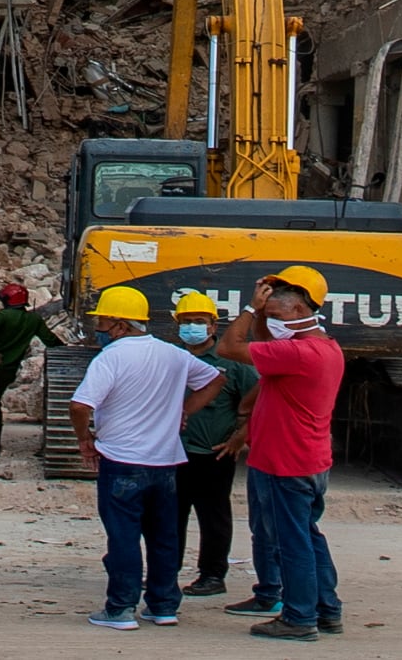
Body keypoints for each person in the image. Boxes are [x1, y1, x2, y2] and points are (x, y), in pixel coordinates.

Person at [67, 283, 222, 631]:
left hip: (122, 460)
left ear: (121, 325)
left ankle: (120, 608)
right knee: (163, 537)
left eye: (103, 322)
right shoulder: (172, 353)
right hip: (165, 463)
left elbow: (79, 405)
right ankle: (163, 605)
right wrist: (185, 410)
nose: (99, 330)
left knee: (123, 536)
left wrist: (84, 439)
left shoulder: (111, 357)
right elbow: (214, 380)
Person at [216, 268, 344, 641]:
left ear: (301, 309)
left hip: (286, 463)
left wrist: (249, 308)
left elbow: (229, 348)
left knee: (293, 544)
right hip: (306, 460)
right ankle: (326, 610)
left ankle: (300, 617)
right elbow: (262, 346)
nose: (271, 324)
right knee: (308, 536)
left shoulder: (299, 353)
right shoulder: (322, 348)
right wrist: (263, 318)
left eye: (277, 316)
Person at [170, 289, 258, 598]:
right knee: (171, 514)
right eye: (186, 321)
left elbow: (257, 400)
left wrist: (240, 437)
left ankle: (212, 574)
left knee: (214, 515)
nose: (192, 326)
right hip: (173, 452)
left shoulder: (231, 363)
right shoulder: (171, 357)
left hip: (213, 454)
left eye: (199, 321)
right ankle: (166, 571)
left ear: (212, 326)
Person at [0, 279, 63, 459]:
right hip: (9, 370)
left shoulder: (3, 316)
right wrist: (67, 348)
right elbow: (51, 340)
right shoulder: (33, 319)